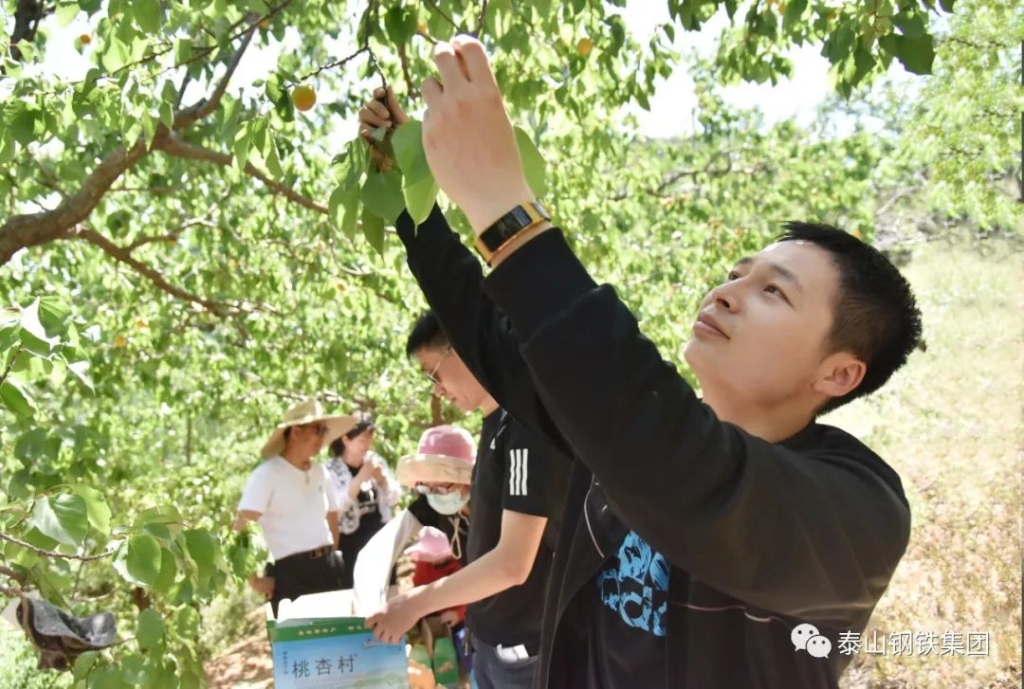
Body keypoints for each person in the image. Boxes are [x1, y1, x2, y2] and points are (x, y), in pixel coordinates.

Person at [358, 36, 923, 689]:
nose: (727, 292)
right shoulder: (625, 436)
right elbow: (497, 340)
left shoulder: (857, 512)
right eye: (737, 273)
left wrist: (507, 212)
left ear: (840, 373)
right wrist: (411, 199)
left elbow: (686, 468)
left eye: (774, 292)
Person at [367, 312, 571, 689]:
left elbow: (513, 563)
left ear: (462, 349)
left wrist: (415, 604)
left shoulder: (524, 425)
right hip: (489, 646)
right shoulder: (494, 424)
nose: (438, 391)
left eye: (434, 374)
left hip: (524, 654)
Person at [233, 398, 354, 617]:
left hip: (328, 568)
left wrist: (333, 555)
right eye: (318, 430)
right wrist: (254, 580)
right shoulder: (266, 475)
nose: (323, 437)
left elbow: (332, 515)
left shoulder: (320, 472)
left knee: (335, 635)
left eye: (325, 431)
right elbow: (242, 527)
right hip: (289, 573)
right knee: (295, 637)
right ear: (296, 432)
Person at [326, 411, 402, 589]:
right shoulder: (331, 470)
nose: (367, 445)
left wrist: (382, 479)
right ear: (346, 440)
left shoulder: (375, 461)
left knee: (387, 590)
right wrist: (360, 478)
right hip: (351, 545)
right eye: (361, 440)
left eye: (370, 439)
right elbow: (335, 509)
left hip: (380, 539)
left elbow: (394, 498)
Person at [399, 423, 478, 568]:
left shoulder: (497, 511)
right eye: (425, 486)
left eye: (442, 487)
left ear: (467, 479)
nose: (434, 495)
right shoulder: (444, 514)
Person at [405, 526, 466, 628]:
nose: (433, 561)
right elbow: (419, 585)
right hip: (433, 609)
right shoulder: (424, 564)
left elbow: (473, 592)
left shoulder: (461, 564)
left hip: (459, 612)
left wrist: (458, 613)